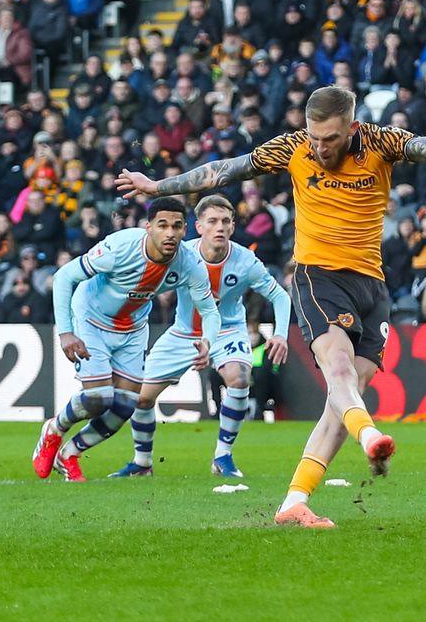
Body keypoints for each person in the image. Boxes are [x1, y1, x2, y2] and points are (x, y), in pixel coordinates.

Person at [115, 85, 426, 527]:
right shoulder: (294, 147)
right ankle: (369, 435)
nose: (320, 147)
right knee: (340, 372)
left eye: (330, 138)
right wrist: (158, 186)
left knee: (345, 396)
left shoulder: (380, 142)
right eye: (314, 137)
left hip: (372, 286)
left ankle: (294, 501)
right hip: (318, 278)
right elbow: (225, 170)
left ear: (352, 127)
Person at [31, 198, 222, 482]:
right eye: (163, 225)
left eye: (177, 226)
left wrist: (207, 341)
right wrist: (66, 332)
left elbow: (209, 311)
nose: (170, 233)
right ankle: (53, 430)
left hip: (132, 327)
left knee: (125, 405)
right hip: (91, 318)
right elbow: (64, 277)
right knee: (98, 398)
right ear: (149, 227)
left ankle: (69, 454)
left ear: (185, 230)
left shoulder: (189, 263)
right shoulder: (121, 247)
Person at [109, 196, 292, 479]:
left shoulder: (245, 260)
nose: (220, 227)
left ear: (233, 227)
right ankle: (142, 462)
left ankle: (223, 457)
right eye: (212, 221)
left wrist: (280, 334)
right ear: (198, 227)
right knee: (141, 399)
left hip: (227, 330)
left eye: (225, 221)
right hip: (183, 333)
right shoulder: (181, 254)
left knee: (239, 378)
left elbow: (280, 295)